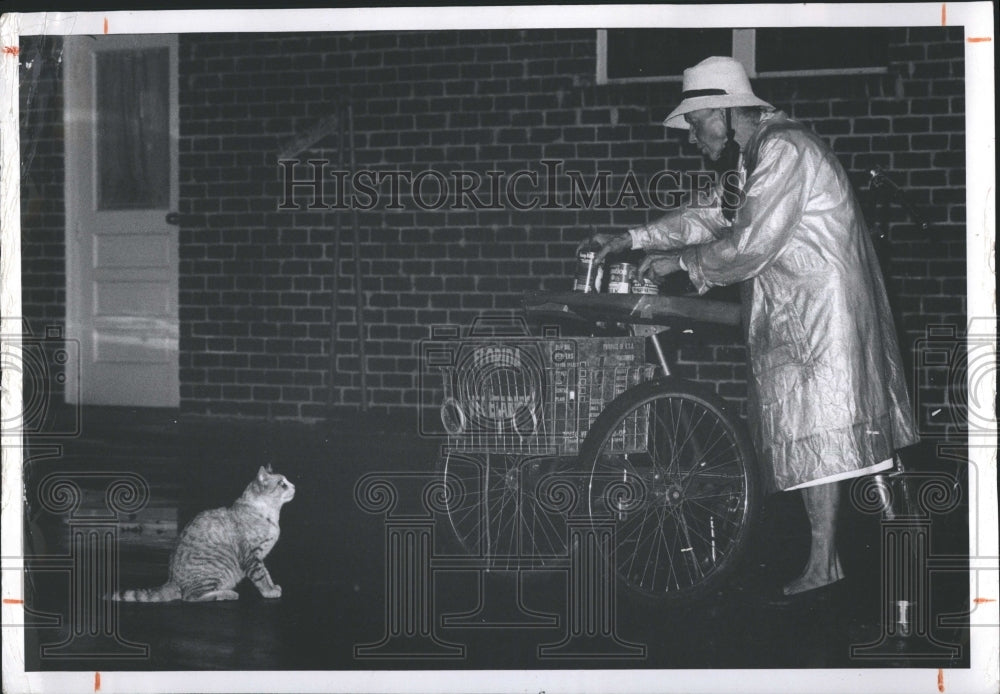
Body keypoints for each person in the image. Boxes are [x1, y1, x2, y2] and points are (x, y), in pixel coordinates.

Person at [581, 56, 918, 600]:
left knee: (833, 433)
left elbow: (750, 241)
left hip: (819, 311)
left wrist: (681, 264)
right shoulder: (760, 153)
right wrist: (634, 239)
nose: (694, 139)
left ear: (723, 111)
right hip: (802, 310)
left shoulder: (784, 150)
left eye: (696, 124)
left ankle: (879, 574)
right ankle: (830, 563)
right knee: (817, 435)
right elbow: (713, 213)